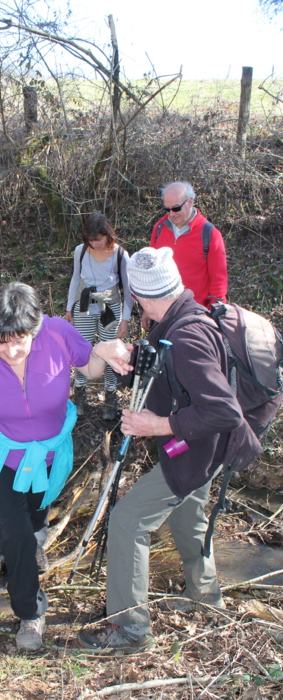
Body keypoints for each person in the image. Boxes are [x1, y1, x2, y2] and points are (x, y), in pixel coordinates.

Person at [77, 247, 255, 654]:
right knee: (188, 516)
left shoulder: (187, 335)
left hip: (196, 450)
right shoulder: (177, 319)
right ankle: (205, 597)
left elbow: (224, 411)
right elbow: (171, 370)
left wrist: (155, 425)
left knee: (127, 520)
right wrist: (131, 358)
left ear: (139, 295)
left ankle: (130, 627)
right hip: (202, 447)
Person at [0, 282, 132, 652]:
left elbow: (90, 369)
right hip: (0, 452)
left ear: (34, 329)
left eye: (19, 341)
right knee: (15, 534)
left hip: (47, 454)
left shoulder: (57, 333)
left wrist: (102, 350)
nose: (11, 351)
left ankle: (34, 542)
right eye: (0, 343)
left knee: (37, 513)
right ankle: (30, 612)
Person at [65, 214, 133, 420]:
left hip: (110, 306)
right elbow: (75, 279)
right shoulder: (81, 251)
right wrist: (69, 308)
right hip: (84, 303)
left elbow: (128, 290)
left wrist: (125, 320)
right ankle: (80, 391)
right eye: (90, 240)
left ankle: (110, 395)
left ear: (108, 236)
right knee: (82, 349)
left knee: (110, 350)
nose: (94, 244)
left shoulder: (120, 254)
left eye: (98, 240)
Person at [150, 181, 228, 309]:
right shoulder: (159, 228)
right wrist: (149, 309)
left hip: (196, 312)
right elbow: (153, 271)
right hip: (162, 311)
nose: (171, 214)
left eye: (176, 208)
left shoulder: (210, 234)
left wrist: (215, 312)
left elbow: (218, 281)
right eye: (167, 209)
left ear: (190, 202)